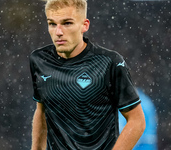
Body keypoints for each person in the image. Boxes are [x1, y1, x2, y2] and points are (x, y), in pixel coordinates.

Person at [30, 0, 146, 149]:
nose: (58, 32)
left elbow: (137, 121)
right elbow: (41, 111)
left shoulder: (109, 62)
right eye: (52, 24)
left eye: (67, 23)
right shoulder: (39, 60)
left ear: (84, 25)